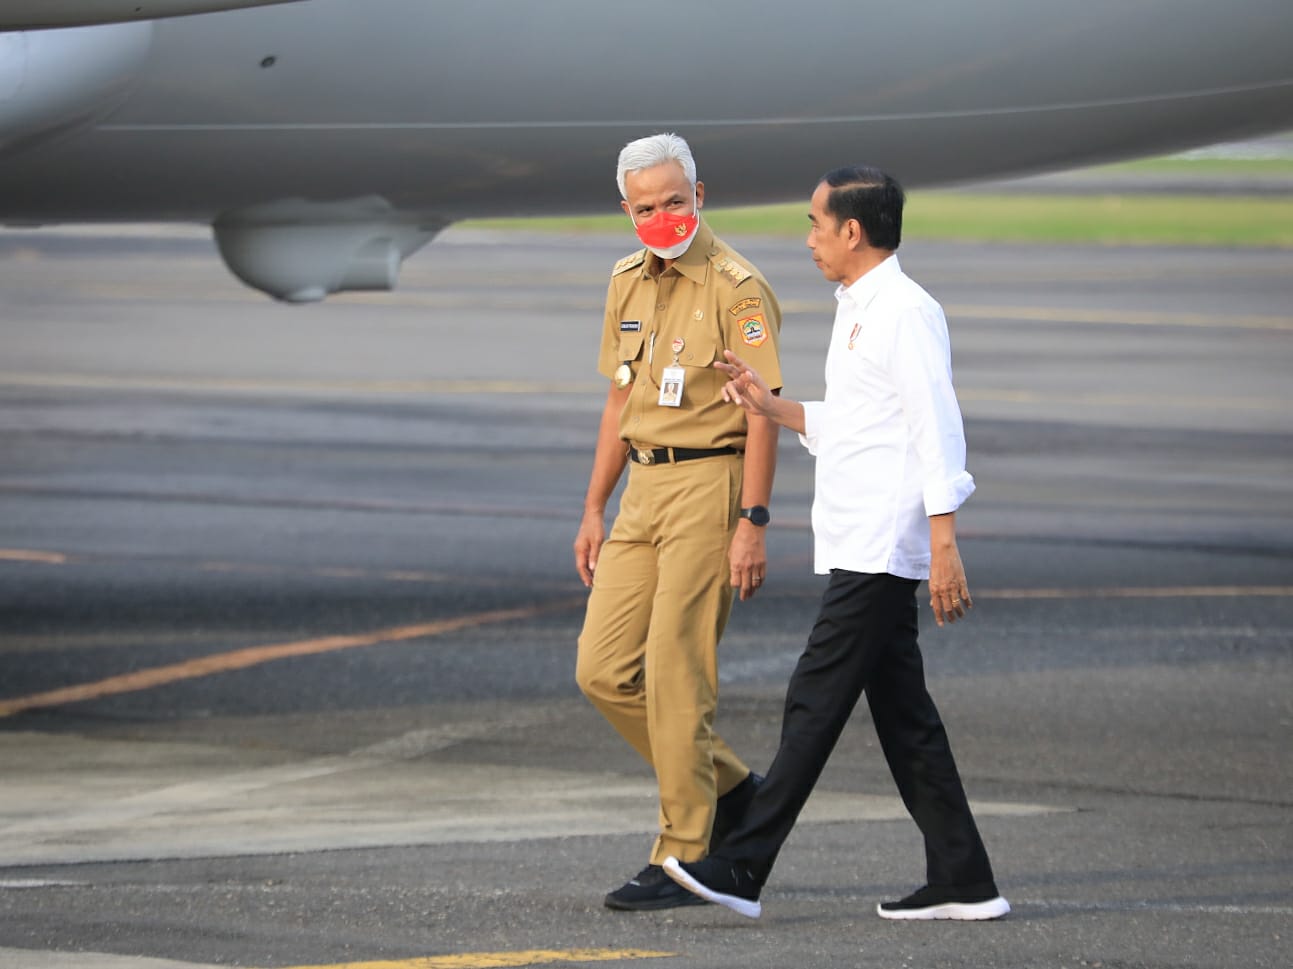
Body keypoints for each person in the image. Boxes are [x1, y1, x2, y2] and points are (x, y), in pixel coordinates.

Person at [663, 166, 1009, 921]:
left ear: (852, 231)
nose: (809, 239)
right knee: (903, 715)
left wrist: (943, 538)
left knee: (813, 698)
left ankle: (742, 866)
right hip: (858, 534)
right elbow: (858, 422)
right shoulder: (858, 306)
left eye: (817, 225)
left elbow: (933, 425)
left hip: (883, 541)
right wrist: (769, 404)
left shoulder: (905, 312)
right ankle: (964, 876)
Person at [573, 133, 784, 911]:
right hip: (642, 490)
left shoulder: (738, 287)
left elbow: (760, 415)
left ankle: (682, 854)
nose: (660, 216)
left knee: (674, 674)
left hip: (709, 482)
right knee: (601, 669)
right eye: (643, 206)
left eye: (672, 200)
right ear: (624, 210)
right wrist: (594, 504)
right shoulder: (625, 280)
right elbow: (617, 400)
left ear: (698, 194)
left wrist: (752, 521)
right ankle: (733, 789)